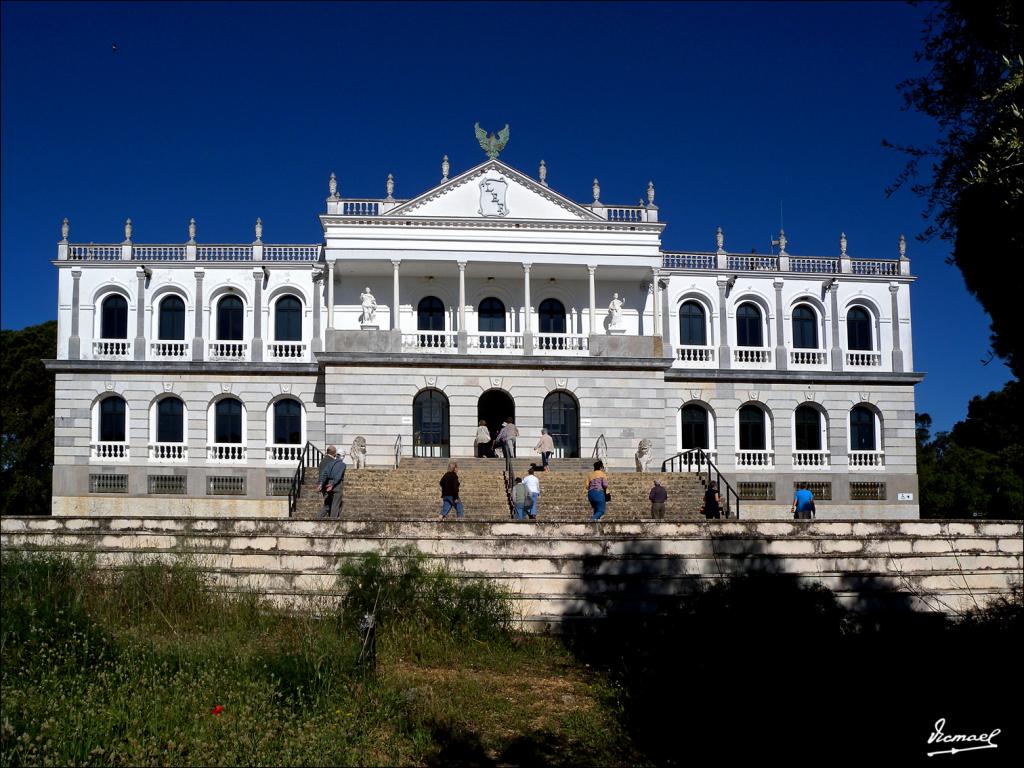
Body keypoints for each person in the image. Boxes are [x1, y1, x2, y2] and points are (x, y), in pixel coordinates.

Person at [317, 445, 346, 519]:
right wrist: (332, 484)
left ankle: (317, 518)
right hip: (336, 485)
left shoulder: (330, 463)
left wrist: (321, 483)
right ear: (342, 456)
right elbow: (338, 476)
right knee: (336, 504)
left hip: (328, 484)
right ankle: (333, 522)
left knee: (328, 504)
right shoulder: (342, 465)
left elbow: (324, 473)